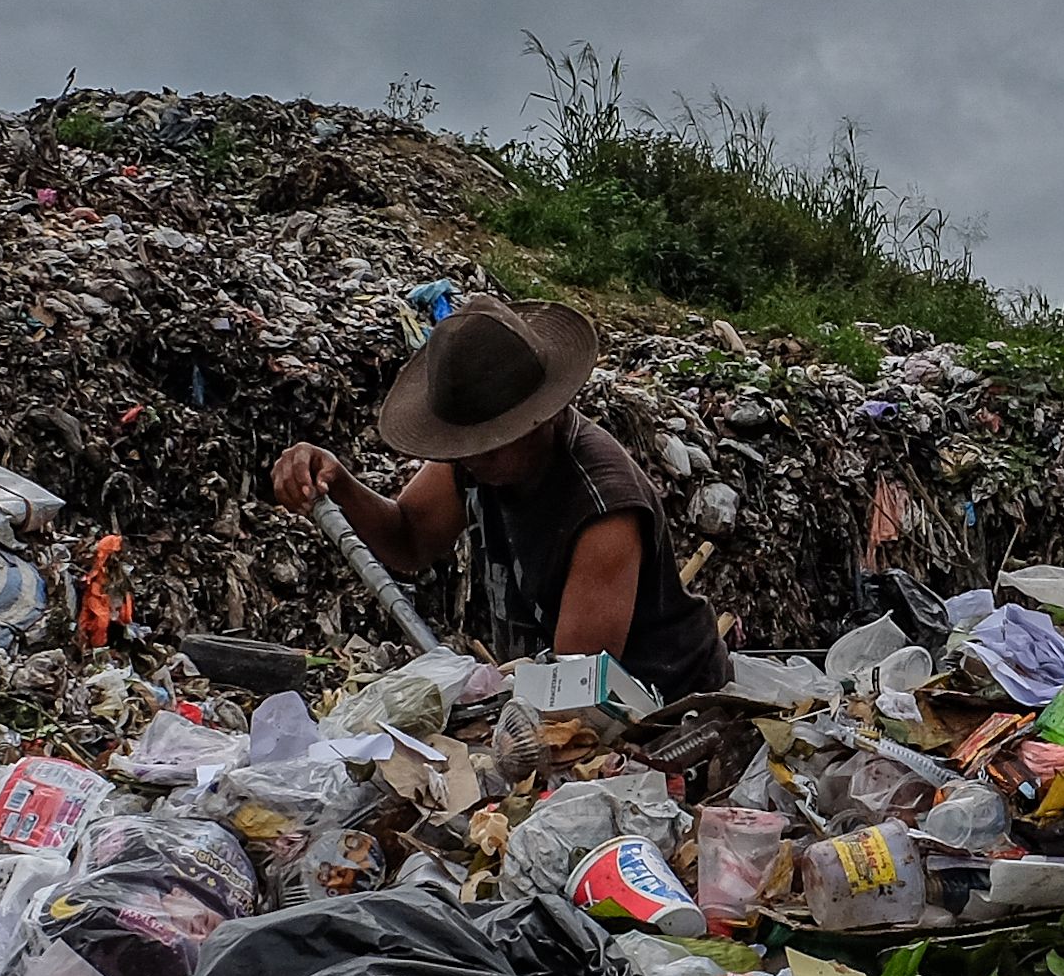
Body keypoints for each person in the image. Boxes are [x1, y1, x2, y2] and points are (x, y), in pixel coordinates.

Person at [269, 295, 729, 698]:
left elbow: (573, 690)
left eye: (486, 447)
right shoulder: (477, 462)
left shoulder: (603, 509)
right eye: (462, 449)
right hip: (553, 690)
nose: (468, 462)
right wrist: (341, 485)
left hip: (663, 704)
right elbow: (409, 541)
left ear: (540, 418)